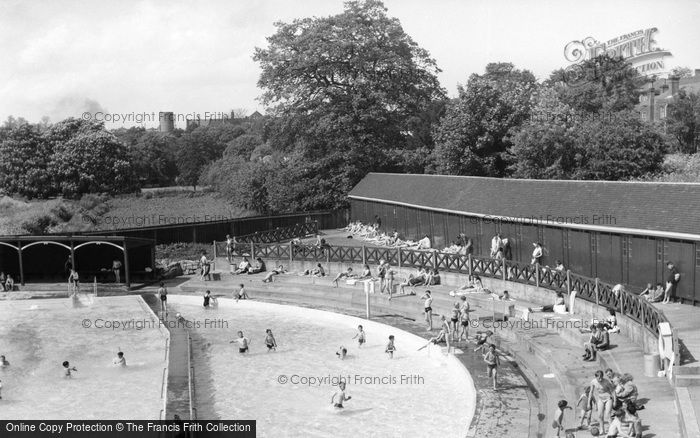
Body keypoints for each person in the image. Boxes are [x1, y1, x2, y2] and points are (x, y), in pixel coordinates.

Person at [588, 370, 616, 435]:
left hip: (608, 398)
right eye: (599, 378)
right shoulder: (593, 382)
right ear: (596, 377)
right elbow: (591, 392)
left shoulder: (606, 382)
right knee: (600, 415)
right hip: (600, 398)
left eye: (601, 377)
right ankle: (602, 429)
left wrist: (615, 401)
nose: (600, 379)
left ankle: (613, 430)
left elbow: (613, 391)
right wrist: (589, 403)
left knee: (608, 415)